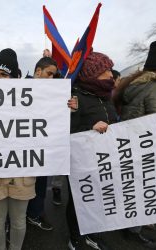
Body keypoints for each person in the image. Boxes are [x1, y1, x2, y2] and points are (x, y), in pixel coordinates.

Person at [115, 40, 156, 248]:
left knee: (134, 188)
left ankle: (129, 226)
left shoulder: (137, 83)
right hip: (146, 146)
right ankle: (134, 231)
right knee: (144, 189)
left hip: (133, 142)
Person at [0, 48, 36, 250]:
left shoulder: (32, 102)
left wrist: (66, 108)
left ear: (15, 77)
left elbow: (50, 124)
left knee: (19, 221)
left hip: (21, 171)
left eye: (4, 74)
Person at [67, 50, 117, 250]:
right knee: (78, 201)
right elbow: (67, 131)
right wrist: (91, 128)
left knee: (99, 198)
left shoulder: (105, 96)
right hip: (82, 162)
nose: (111, 75)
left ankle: (92, 234)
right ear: (92, 74)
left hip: (104, 160)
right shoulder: (75, 98)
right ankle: (75, 237)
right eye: (106, 70)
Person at [26, 57, 57, 231]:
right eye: (49, 73)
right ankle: (19, 218)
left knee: (41, 183)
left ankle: (36, 213)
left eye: (54, 75)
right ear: (38, 71)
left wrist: (69, 107)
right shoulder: (18, 89)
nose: (52, 78)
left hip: (43, 147)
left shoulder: (53, 93)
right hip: (22, 149)